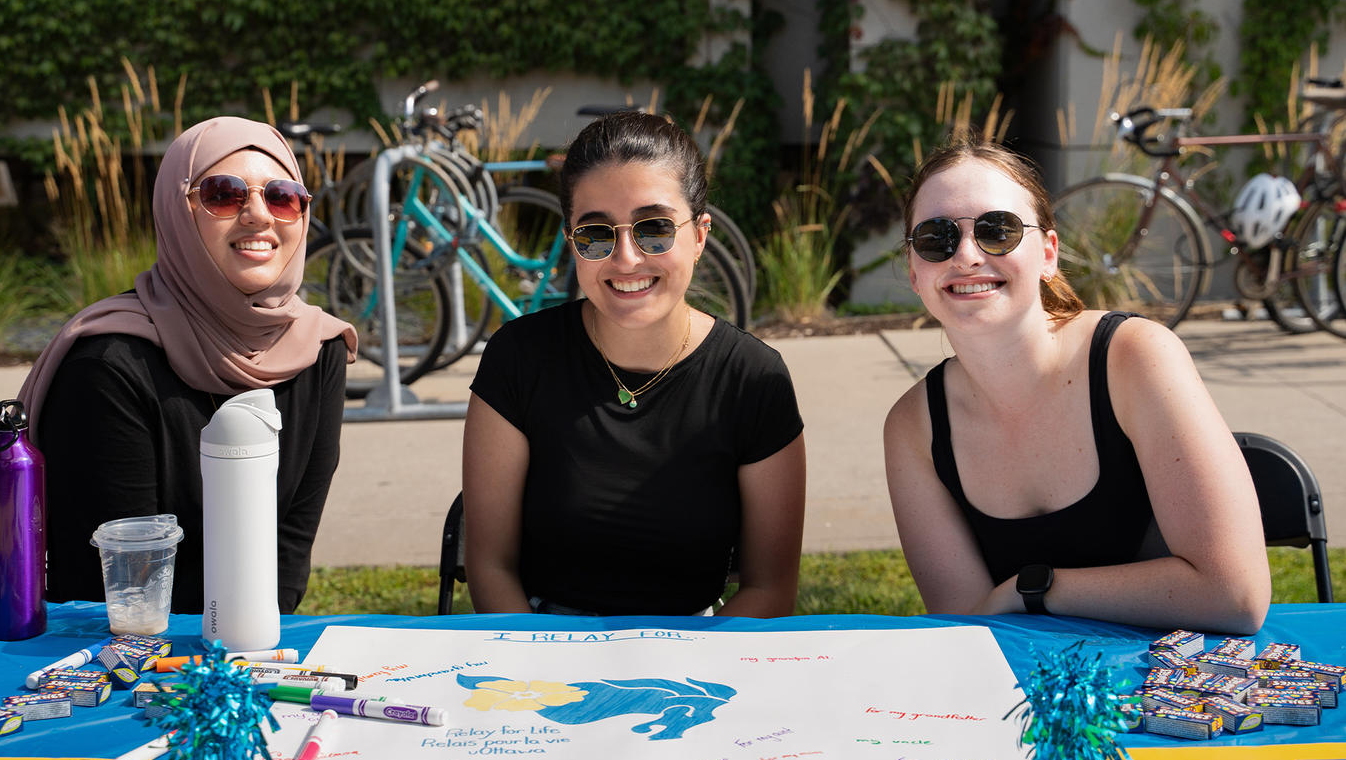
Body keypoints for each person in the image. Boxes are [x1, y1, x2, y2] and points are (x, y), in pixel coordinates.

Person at [0, 117, 357, 615]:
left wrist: (255, 642)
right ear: (175, 212)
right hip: (117, 650)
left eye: (281, 196)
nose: (258, 215)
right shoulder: (108, 365)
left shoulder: (319, 348)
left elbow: (289, 545)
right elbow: (108, 583)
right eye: (223, 195)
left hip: (251, 638)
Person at [882, 136, 1271, 634]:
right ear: (915, 272)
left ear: (1048, 254)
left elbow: (1235, 594)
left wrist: (1034, 590)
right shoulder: (913, 427)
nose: (966, 256)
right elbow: (965, 627)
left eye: (996, 231)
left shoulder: (1134, 358)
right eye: (936, 238)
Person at [463, 111, 806, 617]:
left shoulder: (753, 379)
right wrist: (544, 669)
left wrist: (675, 668)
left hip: (696, 657)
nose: (625, 258)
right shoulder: (519, 358)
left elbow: (770, 589)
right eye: (595, 234)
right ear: (571, 241)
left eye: (654, 229)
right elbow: (491, 567)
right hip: (542, 653)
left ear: (701, 235)